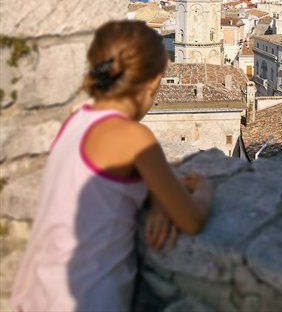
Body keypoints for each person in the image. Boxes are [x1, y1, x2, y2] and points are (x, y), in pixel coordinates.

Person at [11, 21, 212, 312]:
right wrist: (204, 188)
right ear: (154, 83)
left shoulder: (76, 119)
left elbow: (109, 189)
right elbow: (191, 220)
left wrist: (159, 198)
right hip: (88, 298)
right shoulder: (134, 137)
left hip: (37, 290)